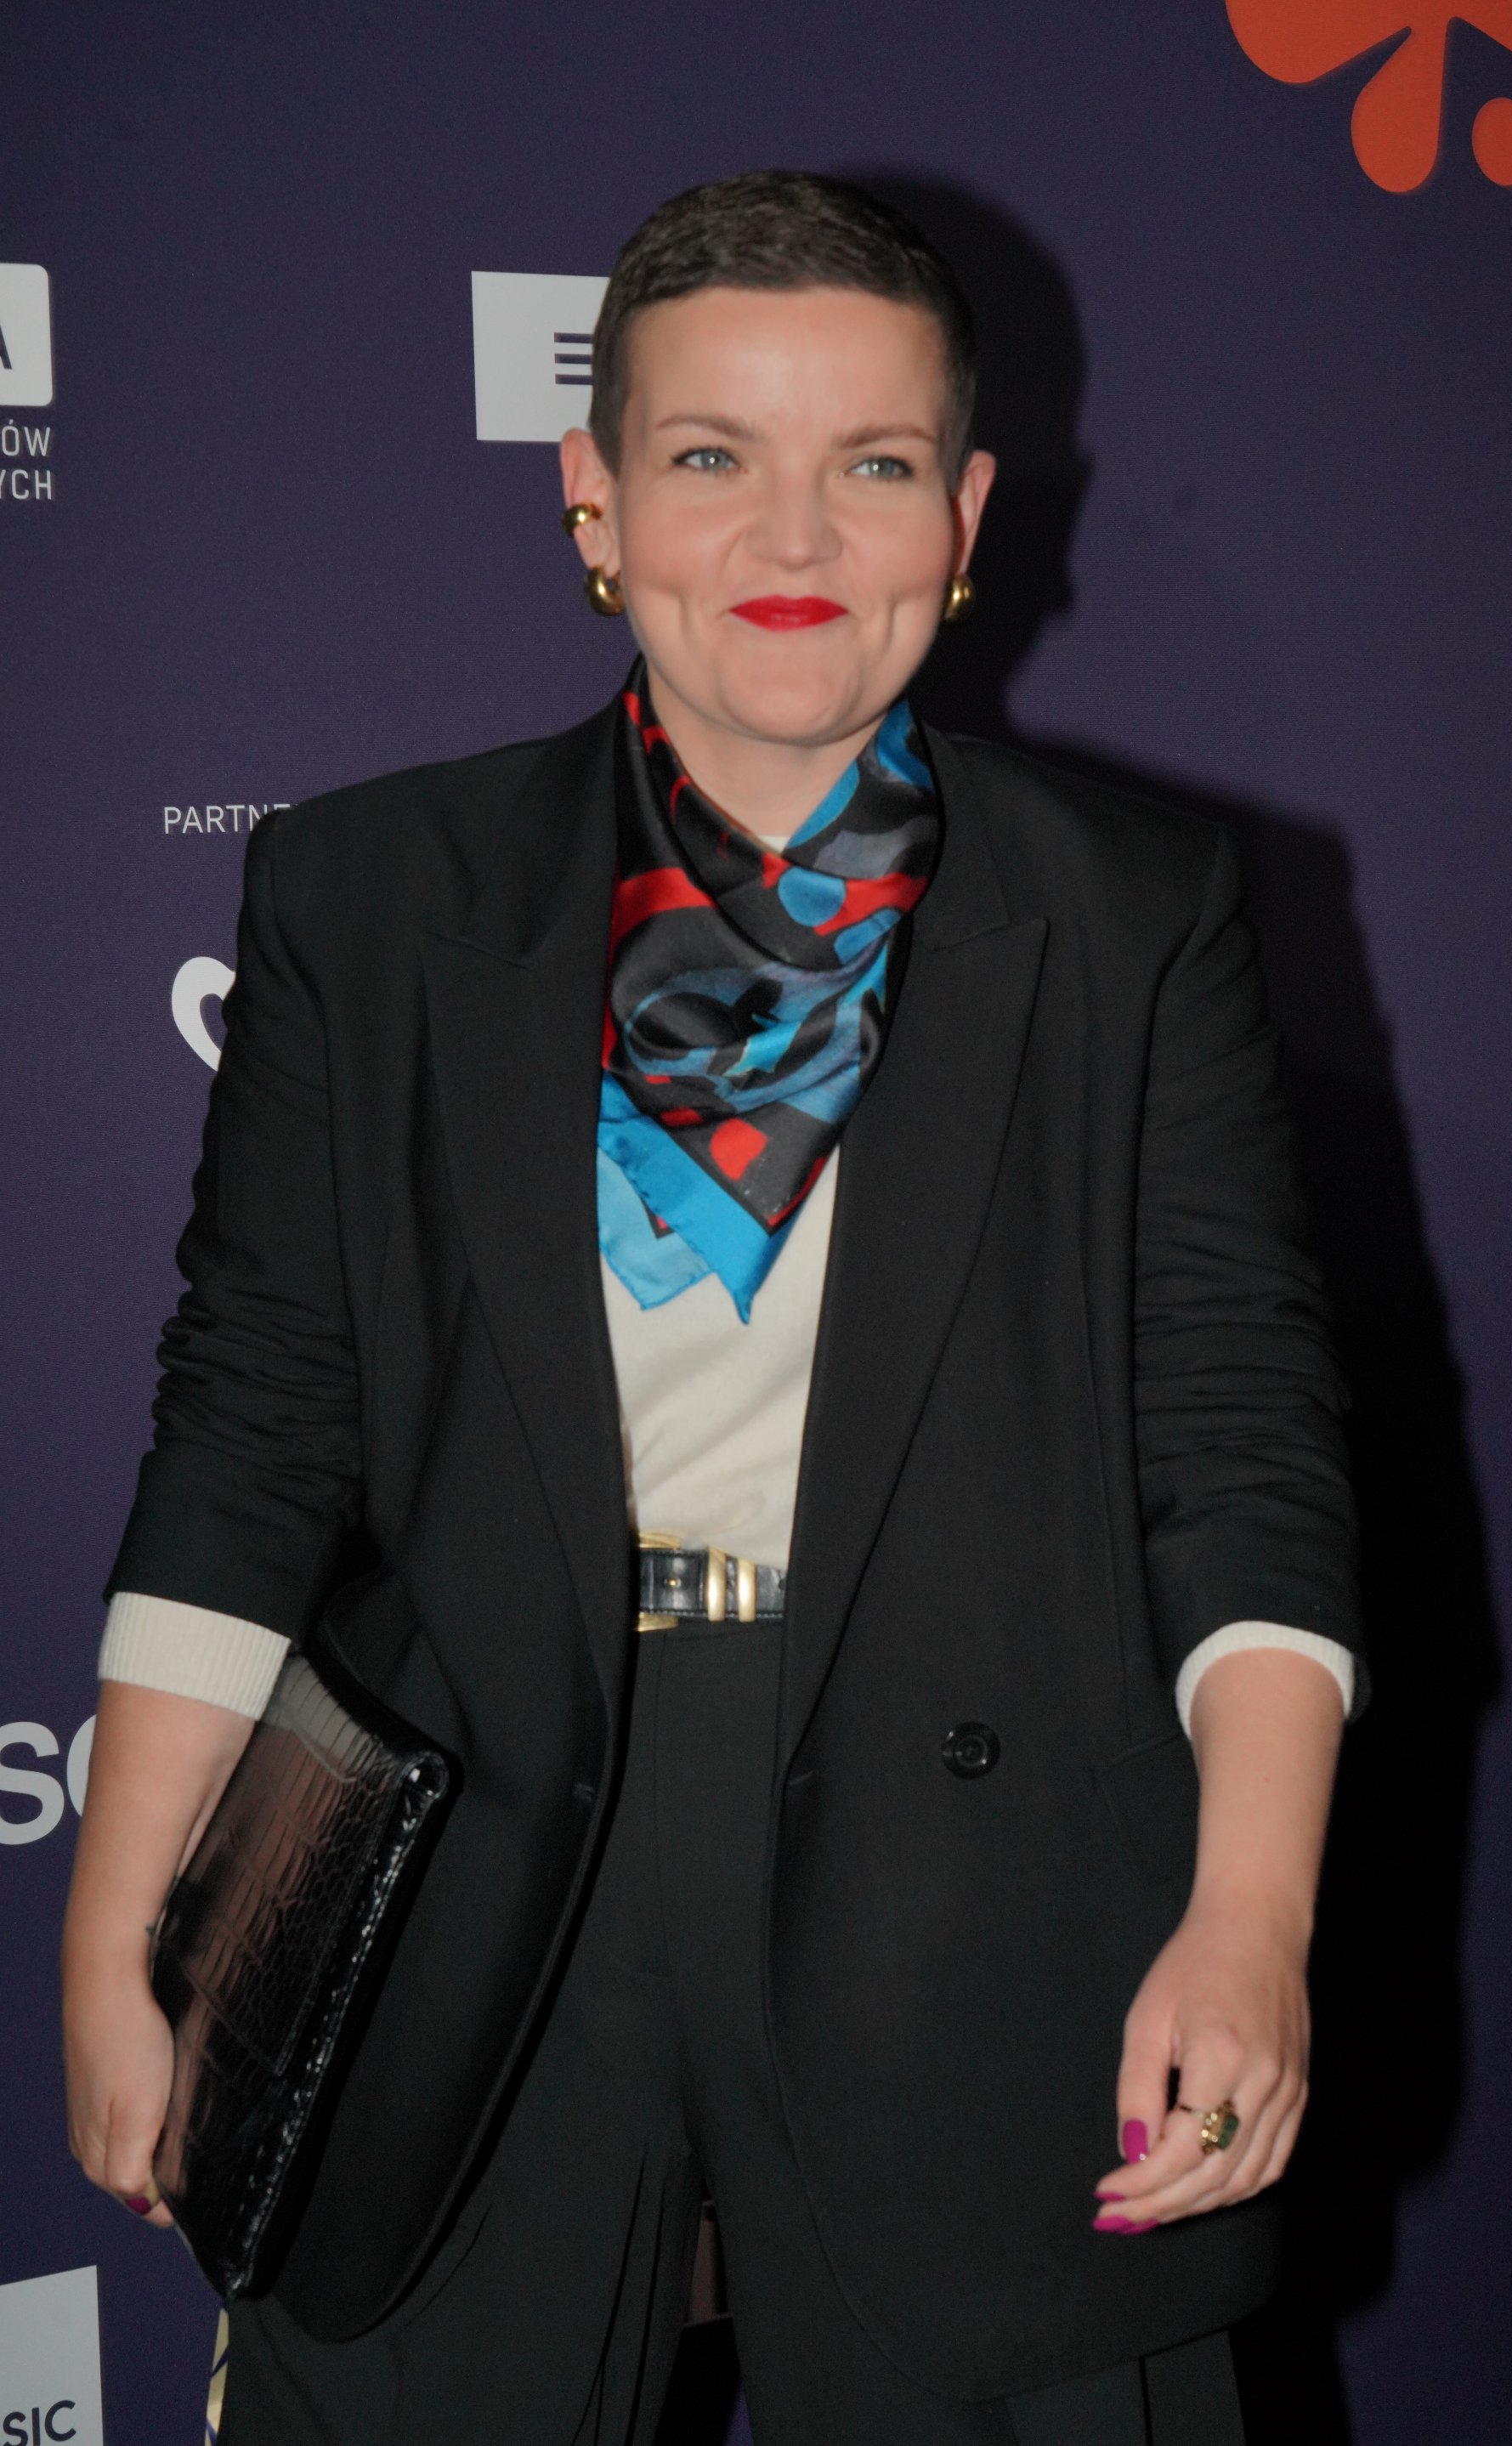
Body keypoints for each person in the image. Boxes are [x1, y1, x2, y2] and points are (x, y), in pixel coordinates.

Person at [61, 172, 1362, 2445]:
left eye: (872, 463)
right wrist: (122, 1923)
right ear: (592, 496)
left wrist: (1252, 1916)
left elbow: (1237, 1449)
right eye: (708, 454)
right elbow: (255, 1428)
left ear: (966, 514)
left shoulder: (1133, 914)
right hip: (467, 1866)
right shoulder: (369, 896)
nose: (794, 534)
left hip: (987, 1886)